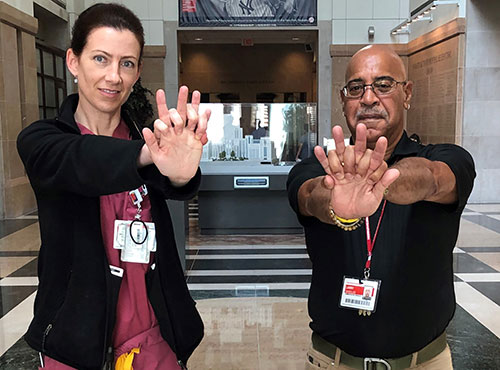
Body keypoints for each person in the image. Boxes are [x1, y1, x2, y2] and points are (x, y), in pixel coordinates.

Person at [17, 4, 211, 370]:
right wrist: (145, 156)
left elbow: (174, 182)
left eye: (126, 63)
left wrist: (182, 174)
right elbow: (82, 160)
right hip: (75, 342)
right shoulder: (44, 141)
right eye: (101, 59)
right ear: (73, 62)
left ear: (137, 71)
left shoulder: (147, 138)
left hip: (153, 337)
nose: (113, 76)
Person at [287, 45, 475, 369]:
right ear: (344, 99)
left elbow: (433, 179)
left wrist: (381, 181)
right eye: (356, 88)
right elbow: (308, 197)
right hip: (332, 362)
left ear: (407, 93)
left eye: (383, 85)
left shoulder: (445, 158)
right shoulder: (318, 169)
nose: (369, 98)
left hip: (425, 363)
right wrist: (335, 201)